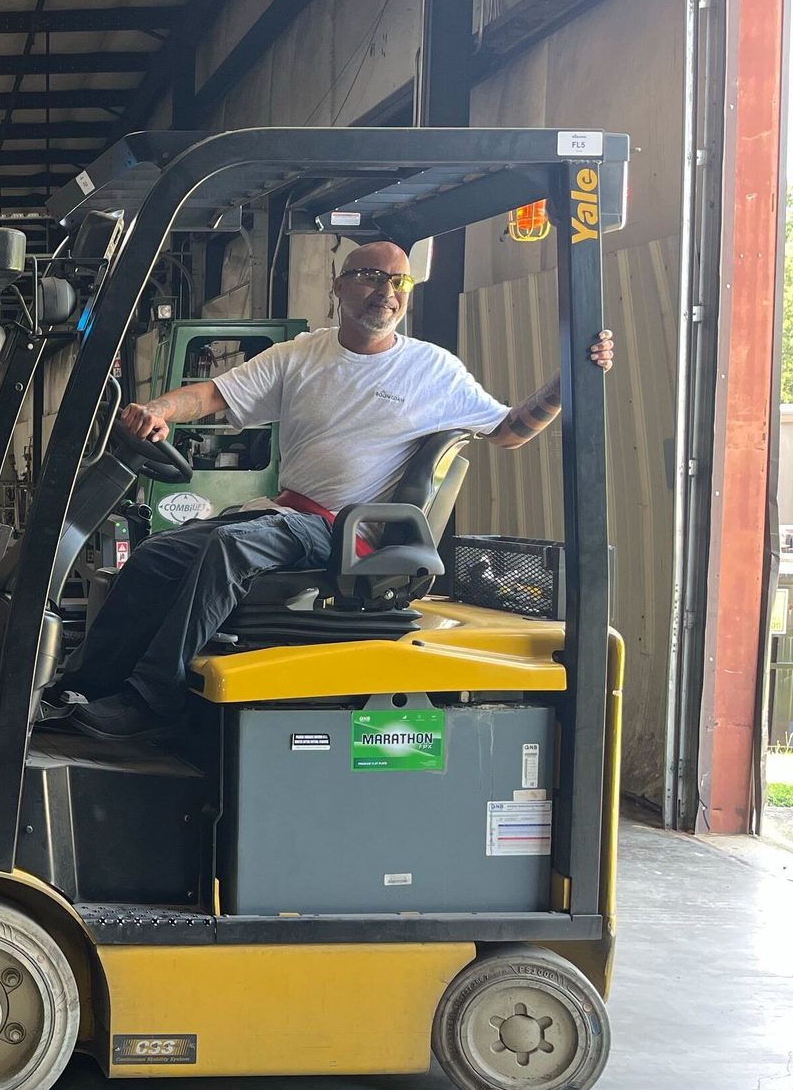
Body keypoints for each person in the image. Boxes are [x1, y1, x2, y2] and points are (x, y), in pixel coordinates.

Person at [54, 240, 614, 740]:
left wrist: (567, 382)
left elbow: (510, 430)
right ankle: (80, 686)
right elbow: (212, 395)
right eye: (371, 276)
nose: (386, 292)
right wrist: (158, 409)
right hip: (285, 514)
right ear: (340, 285)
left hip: (348, 531)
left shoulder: (433, 370)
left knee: (229, 549)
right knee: (156, 553)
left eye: (399, 282)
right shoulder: (302, 355)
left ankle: (152, 699)